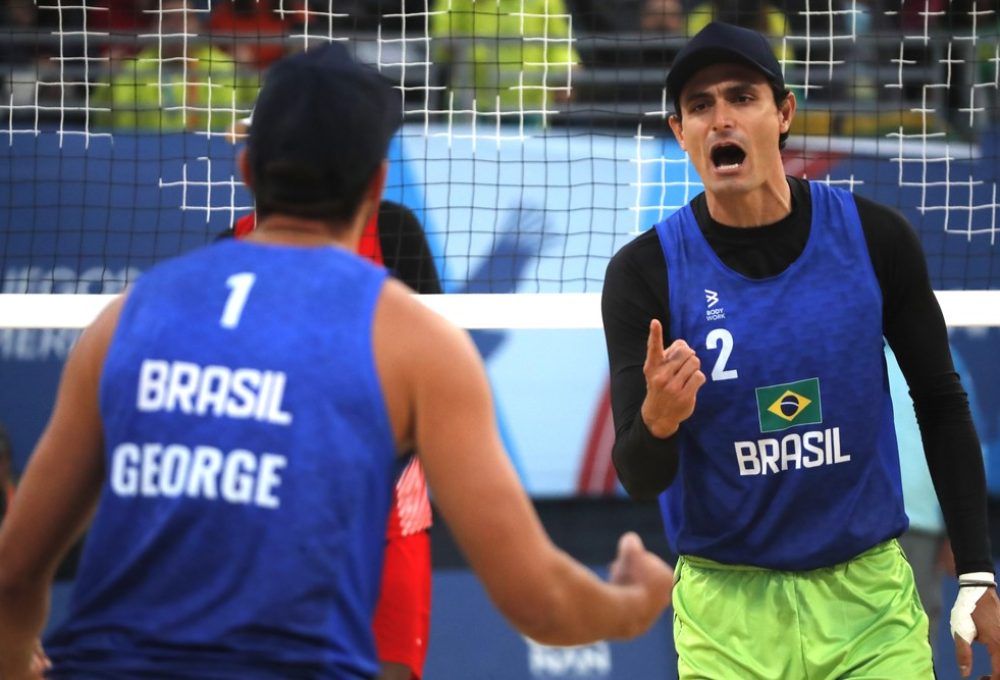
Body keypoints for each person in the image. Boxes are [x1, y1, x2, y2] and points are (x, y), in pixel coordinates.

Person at [0, 42, 674, 679]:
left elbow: (14, 575)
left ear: (245, 170)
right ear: (376, 183)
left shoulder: (124, 320)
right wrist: (632, 602)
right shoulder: (413, 344)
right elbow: (541, 602)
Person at [601, 20, 1000, 679]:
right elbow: (641, 475)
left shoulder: (875, 239)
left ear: (783, 113)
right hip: (727, 615)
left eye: (741, 98)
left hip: (868, 604)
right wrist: (659, 420)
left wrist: (978, 571)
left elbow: (939, 400)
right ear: (680, 133)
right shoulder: (644, 274)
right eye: (699, 106)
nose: (720, 118)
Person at [223, 200, 441, 680]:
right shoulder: (231, 246)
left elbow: (438, 362)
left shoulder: (393, 229)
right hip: (272, 531)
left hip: (390, 523)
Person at [92, 0, 245, 132]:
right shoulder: (131, 72)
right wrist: (107, 79)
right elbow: (102, 123)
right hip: (144, 156)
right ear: (153, 27)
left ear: (199, 26)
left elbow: (249, 116)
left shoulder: (224, 68)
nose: (176, 26)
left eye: (185, 18)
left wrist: (248, 74)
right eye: (167, 18)